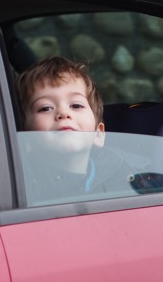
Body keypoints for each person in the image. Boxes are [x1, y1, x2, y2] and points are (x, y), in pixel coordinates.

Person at [15, 56, 136, 204]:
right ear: (25, 138)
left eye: (76, 106)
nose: (63, 113)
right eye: (45, 108)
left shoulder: (122, 177)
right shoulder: (19, 187)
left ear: (98, 133)